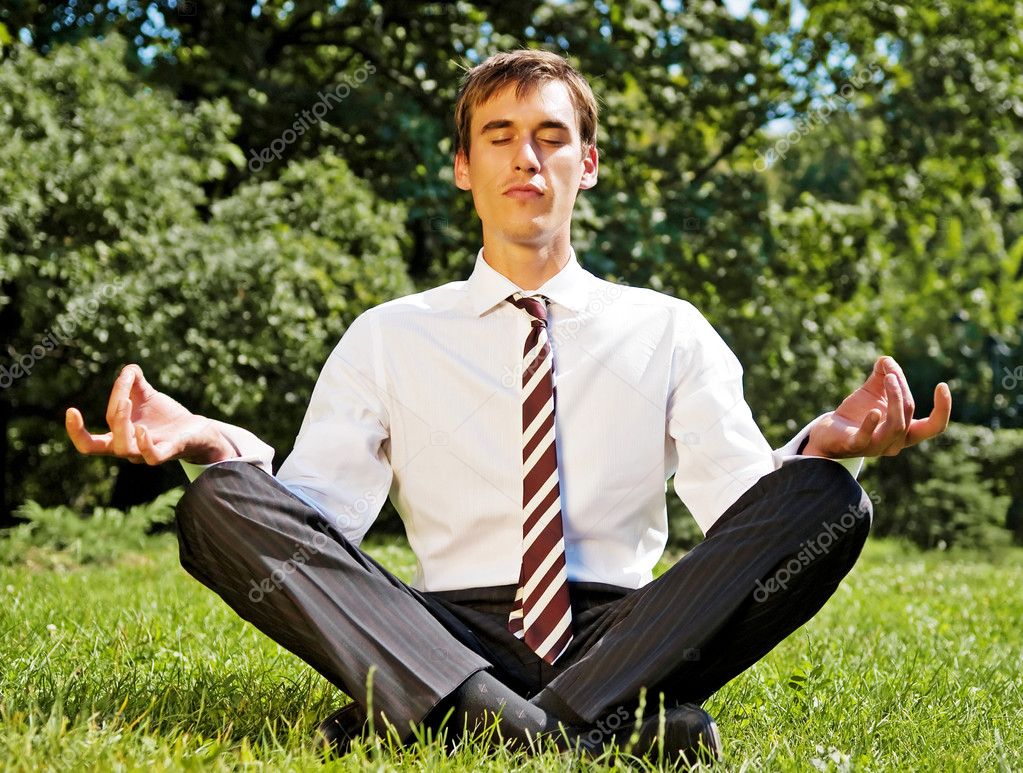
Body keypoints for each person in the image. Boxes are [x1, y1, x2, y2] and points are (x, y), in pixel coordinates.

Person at [66, 49, 951, 766]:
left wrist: (824, 447)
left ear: (587, 163)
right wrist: (210, 442)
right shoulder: (388, 334)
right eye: (498, 136)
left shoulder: (670, 329)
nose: (526, 157)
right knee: (218, 501)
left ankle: (461, 719)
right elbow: (316, 518)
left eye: (550, 136)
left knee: (829, 501)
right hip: (436, 626)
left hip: (630, 630)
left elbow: (739, 514)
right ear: (463, 166)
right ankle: (584, 729)